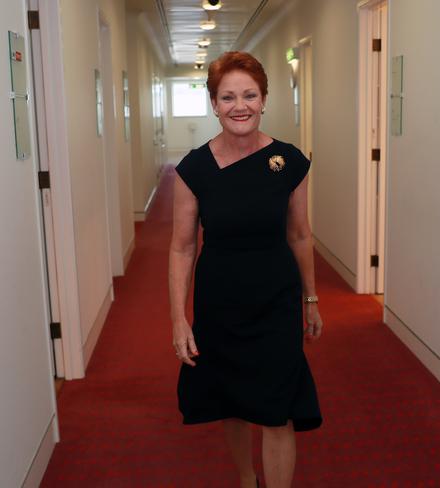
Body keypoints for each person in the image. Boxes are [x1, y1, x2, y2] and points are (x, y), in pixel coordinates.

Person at [168, 51, 323, 488]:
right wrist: (180, 319)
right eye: (229, 96)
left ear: (264, 99)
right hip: (220, 303)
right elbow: (181, 248)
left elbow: (300, 236)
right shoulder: (193, 169)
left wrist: (310, 299)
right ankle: (245, 478)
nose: (241, 105)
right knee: (231, 402)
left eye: (250, 95)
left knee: (278, 410)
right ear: (214, 104)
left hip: (276, 301)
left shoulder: (288, 162)